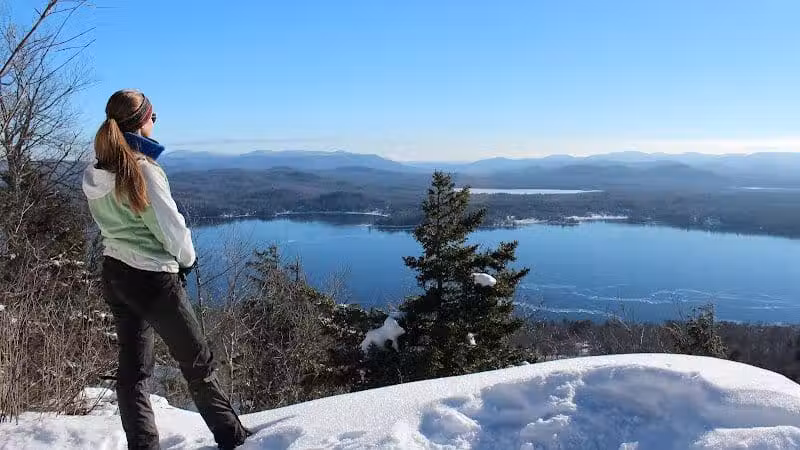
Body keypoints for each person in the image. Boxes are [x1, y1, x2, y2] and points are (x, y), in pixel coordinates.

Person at [82, 89, 250, 450]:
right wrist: (187, 259)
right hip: (153, 279)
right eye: (154, 117)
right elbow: (170, 227)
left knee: (133, 375)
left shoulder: (94, 173)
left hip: (115, 274)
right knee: (197, 364)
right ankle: (234, 440)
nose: (155, 123)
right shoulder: (142, 171)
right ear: (142, 121)